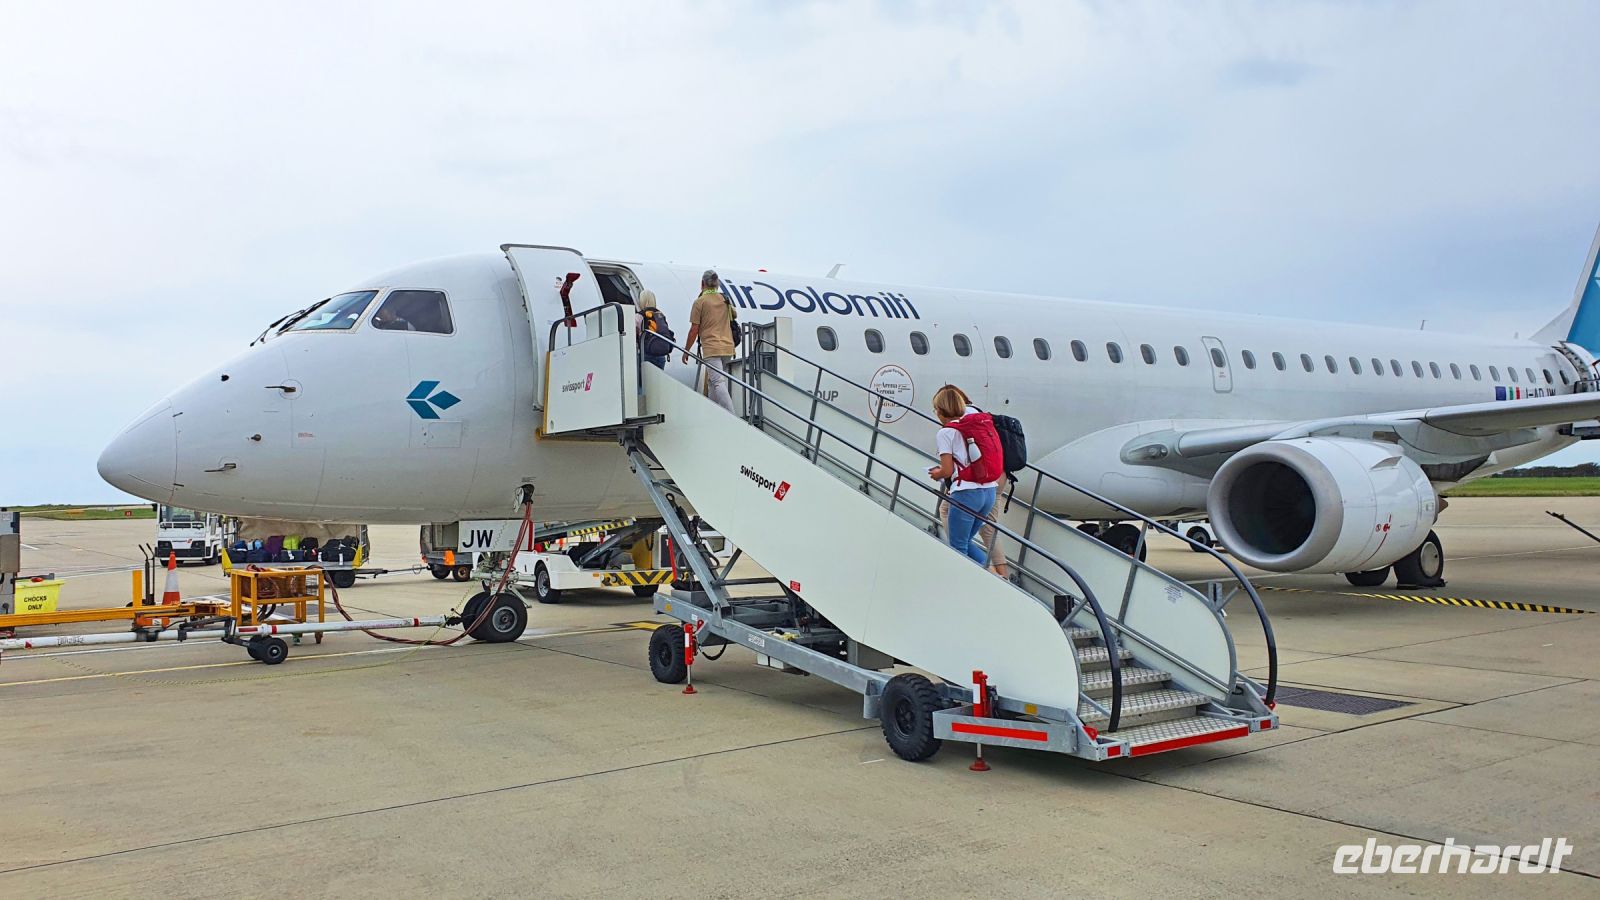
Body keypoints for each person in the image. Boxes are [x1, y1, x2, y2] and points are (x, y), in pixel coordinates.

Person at [937, 386, 1009, 578]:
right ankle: (999, 575)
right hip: (992, 483)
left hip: (969, 489)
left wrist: (937, 474)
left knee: (958, 545)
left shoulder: (948, 431)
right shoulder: (977, 415)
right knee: (973, 536)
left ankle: (990, 579)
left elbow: (948, 469)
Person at [681, 270, 737, 412]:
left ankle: (731, 415)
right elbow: (734, 315)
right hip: (727, 347)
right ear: (717, 284)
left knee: (717, 381)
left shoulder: (700, 302)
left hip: (711, 347)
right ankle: (712, 411)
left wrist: (686, 350)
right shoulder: (725, 299)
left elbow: (694, 329)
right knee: (712, 381)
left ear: (702, 283)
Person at [635, 290, 670, 370]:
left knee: (645, 381)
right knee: (658, 380)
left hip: (646, 354)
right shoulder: (660, 315)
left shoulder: (638, 316)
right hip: (661, 356)